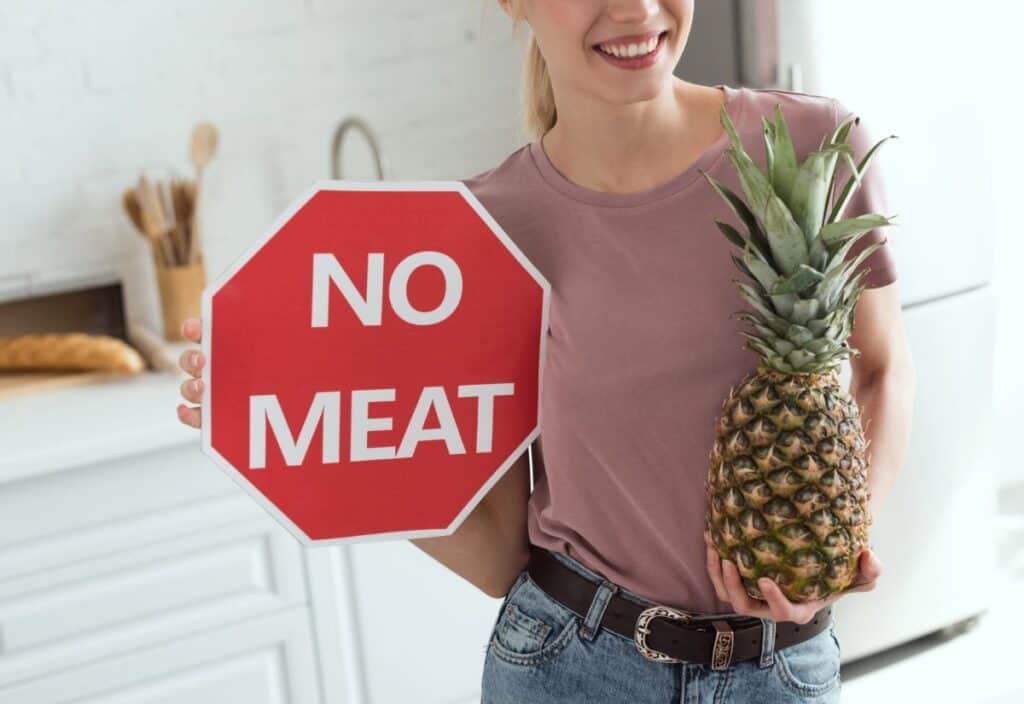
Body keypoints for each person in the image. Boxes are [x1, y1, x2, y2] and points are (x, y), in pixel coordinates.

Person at [177, 1, 915, 701]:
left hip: (780, 671)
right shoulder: (481, 230)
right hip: (571, 667)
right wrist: (335, 445)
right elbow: (498, 553)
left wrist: (842, 538)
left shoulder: (812, 148)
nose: (635, 10)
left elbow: (880, 370)